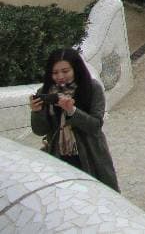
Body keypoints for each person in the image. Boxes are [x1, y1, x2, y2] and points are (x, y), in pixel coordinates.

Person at [30, 49, 119, 190]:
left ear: (75, 69)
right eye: (55, 73)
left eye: (65, 71)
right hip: (59, 156)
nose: (60, 76)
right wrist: (36, 112)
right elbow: (40, 130)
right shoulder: (45, 92)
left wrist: (72, 111)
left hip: (90, 154)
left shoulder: (92, 88)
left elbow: (95, 126)